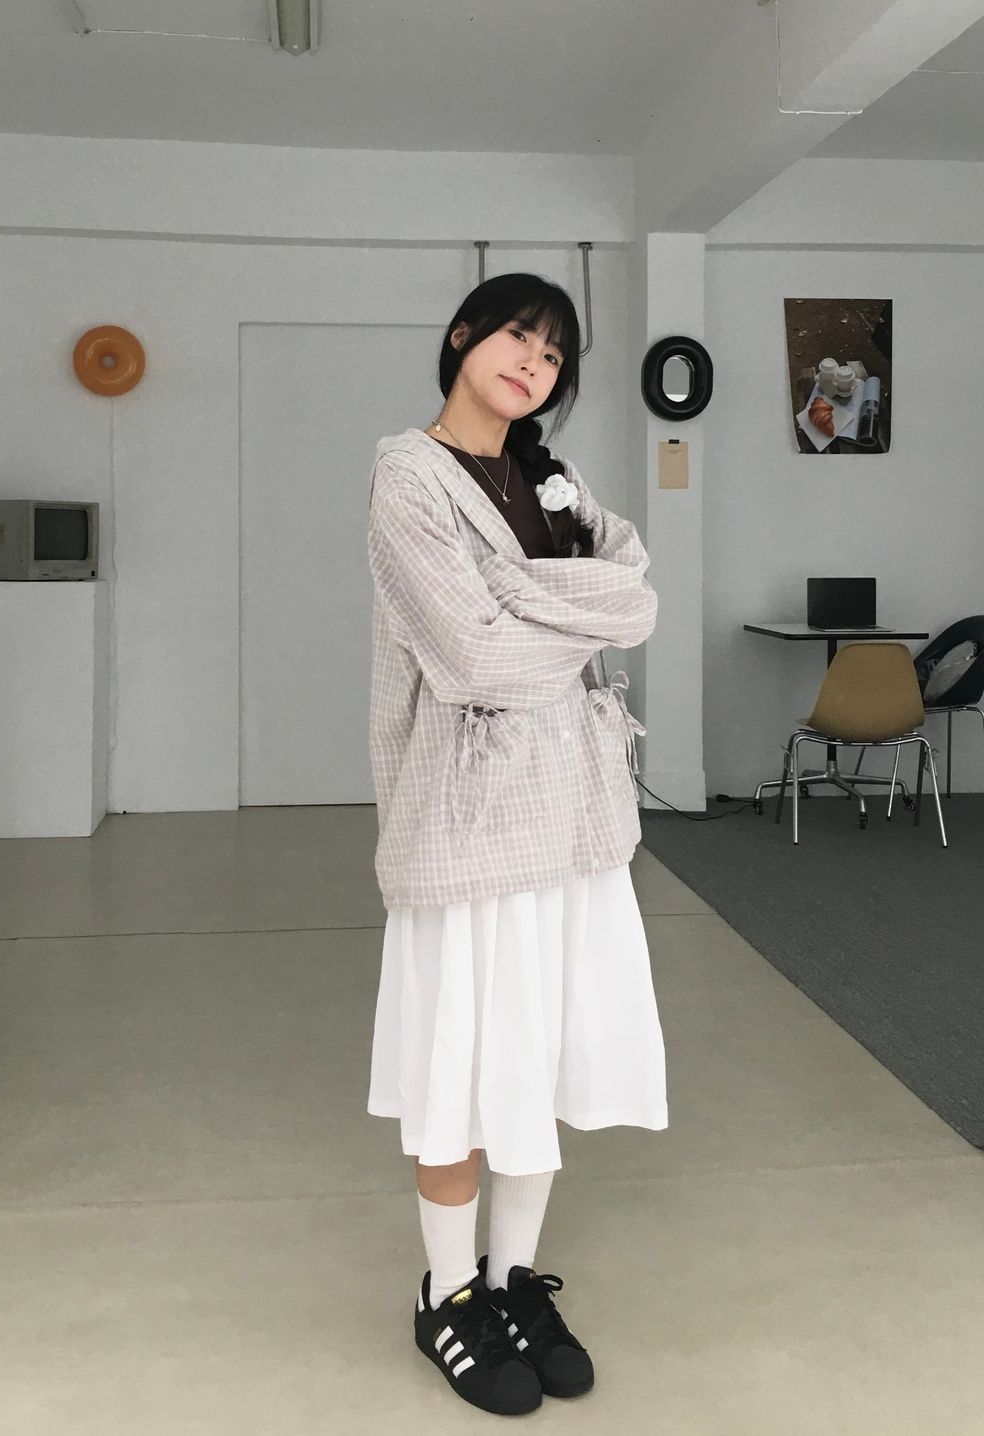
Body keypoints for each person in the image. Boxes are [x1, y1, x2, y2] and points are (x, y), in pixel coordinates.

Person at [365, 272, 667, 1416]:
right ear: (461, 337)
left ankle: (508, 1281)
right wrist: (564, 609)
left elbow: (636, 599)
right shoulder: (409, 474)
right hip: (468, 818)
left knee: (535, 1056)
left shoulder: (555, 476)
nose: (532, 365)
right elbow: (471, 658)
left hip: (573, 817)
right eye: (515, 338)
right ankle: (446, 1293)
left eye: (552, 355)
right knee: (459, 1065)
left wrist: (519, 593)